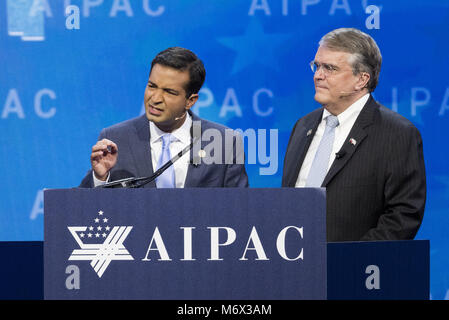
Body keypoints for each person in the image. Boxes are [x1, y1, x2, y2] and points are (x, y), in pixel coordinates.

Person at [282, 28, 426, 241]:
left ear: (361, 80)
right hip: (295, 266)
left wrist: (350, 262)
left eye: (330, 68)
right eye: (317, 65)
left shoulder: (397, 133)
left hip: (355, 269)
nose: (318, 75)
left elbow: (402, 218)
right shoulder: (302, 126)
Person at [80, 47, 248, 188]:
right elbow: (80, 209)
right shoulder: (116, 139)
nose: (155, 98)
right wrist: (100, 178)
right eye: (152, 86)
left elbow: (240, 208)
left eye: (169, 92)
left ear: (190, 101)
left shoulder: (224, 141)